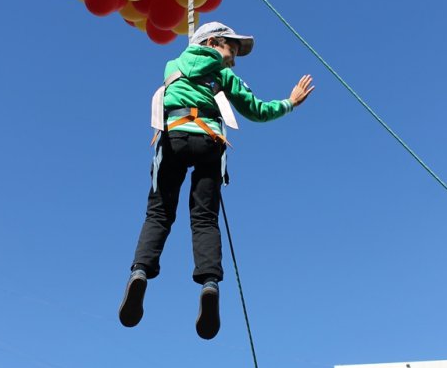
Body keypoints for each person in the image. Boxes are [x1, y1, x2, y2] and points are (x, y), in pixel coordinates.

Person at [118, 21, 314, 340]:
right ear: (212, 41)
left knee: (159, 212)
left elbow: (170, 90)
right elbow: (257, 110)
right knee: (205, 218)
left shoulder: (173, 64)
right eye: (230, 49)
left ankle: (140, 271)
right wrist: (290, 103)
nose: (233, 59)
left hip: (175, 135)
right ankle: (210, 284)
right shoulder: (223, 75)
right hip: (209, 141)